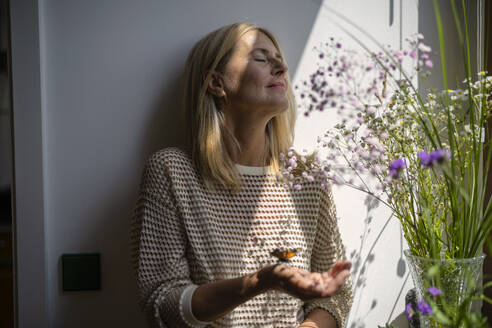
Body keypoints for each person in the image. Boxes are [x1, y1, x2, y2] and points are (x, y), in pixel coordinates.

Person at [131, 22, 353, 328]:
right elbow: (163, 303)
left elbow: (334, 296)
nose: (281, 66)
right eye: (261, 58)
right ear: (216, 83)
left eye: (279, 58)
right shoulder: (172, 173)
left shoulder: (307, 177)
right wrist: (262, 281)